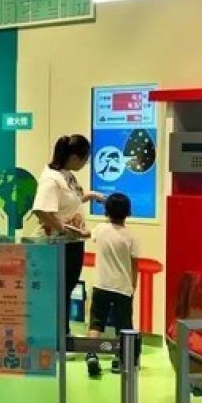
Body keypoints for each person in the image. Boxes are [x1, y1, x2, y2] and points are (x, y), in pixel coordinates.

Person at [31, 134, 104, 333]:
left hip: (71, 243)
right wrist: (63, 229)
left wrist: (93, 196)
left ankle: (62, 334)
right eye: (85, 159)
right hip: (56, 245)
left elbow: (71, 200)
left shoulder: (66, 175)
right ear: (73, 158)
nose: (85, 163)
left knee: (65, 289)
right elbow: (40, 210)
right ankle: (56, 336)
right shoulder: (51, 179)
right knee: (57, 291)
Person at [86, 193, 141, 378]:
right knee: (123, 325)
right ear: (128, 212)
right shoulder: (131, 236)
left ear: (106, 211)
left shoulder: (101, 229)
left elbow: (89, 234)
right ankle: (121, 358)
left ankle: (91, 354)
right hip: (122, 288)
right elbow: (135, 264)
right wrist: (133, 285)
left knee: (96, 322)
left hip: (101, 285)